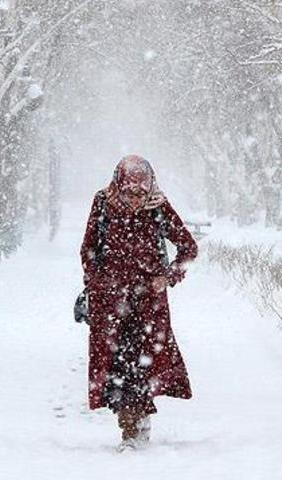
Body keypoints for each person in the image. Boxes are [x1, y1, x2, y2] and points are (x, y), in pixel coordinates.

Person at [80, 155, 198, 451]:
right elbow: (88, 249)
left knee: (142, 365)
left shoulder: (158, 207)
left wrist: (167, 277)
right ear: (118, 185)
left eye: (140, 193)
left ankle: (136, 426)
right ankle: (129, 426)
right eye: (128, 193)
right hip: (110, 304)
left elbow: (188, 248)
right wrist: (97, 282)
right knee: (117, 367)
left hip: (148, 305)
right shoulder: (103, 203)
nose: (134, 200)